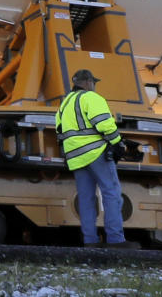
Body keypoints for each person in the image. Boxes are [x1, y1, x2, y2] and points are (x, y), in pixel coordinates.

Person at [55, 69, 128, 247]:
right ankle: (115, 240)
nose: (94, 86)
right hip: (96, 153)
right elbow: (104, 124)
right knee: (111, 194)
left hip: (76, 158)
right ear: (88, 82)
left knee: (86, 199)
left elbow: (59, 131)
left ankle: (90, 242)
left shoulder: (64, 104)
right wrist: (118, 143)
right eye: (93, 83)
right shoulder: (91, 98)